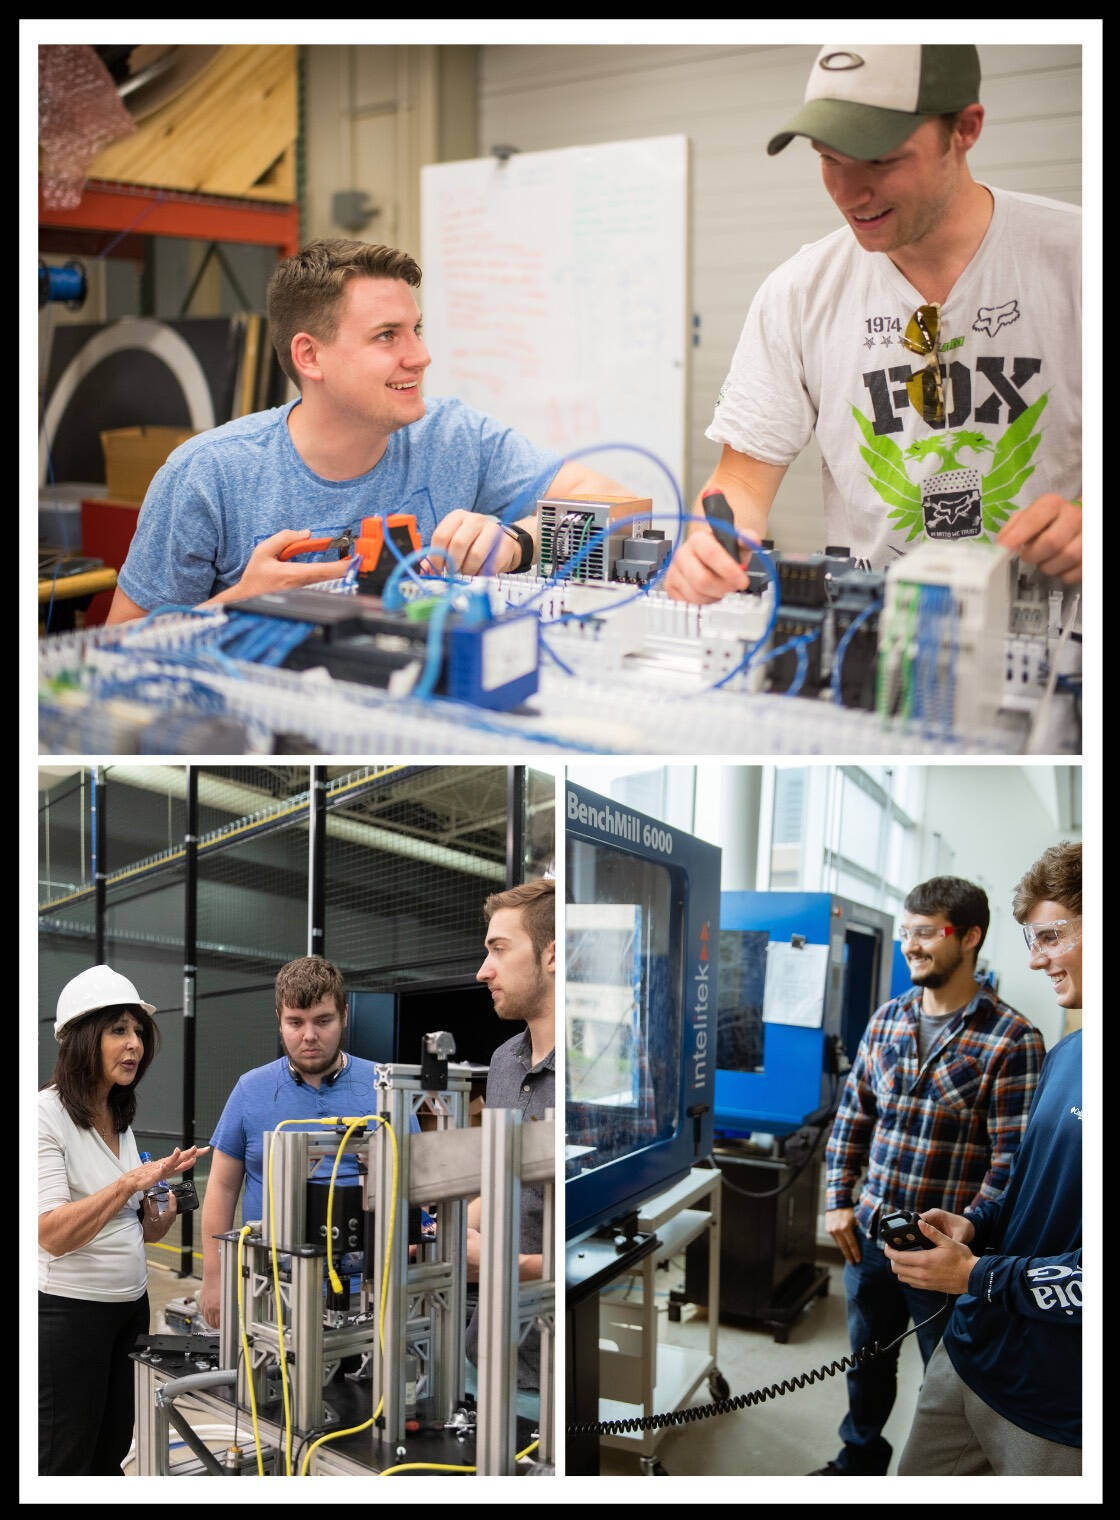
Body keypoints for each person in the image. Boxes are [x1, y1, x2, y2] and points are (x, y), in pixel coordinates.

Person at [664, 44, 1081, 606]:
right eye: (829, 159)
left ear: (965, 129)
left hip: (1059, 652)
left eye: (881, 160)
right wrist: (710, 547)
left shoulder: (1078, 261)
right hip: (879, 642)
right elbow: (739, 481)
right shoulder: (800, 292)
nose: (848, 194)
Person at [106, 239, 627, 623]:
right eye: (387, 336)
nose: (420, 356)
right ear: (310, 356)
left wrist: (519, 541)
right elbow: (114, 654)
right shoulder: (208, 474)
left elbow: (626, 508)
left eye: (415, 330)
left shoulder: (455, 437)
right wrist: (231, 605)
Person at [812, 876, 1045, 1476]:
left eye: (926, 932)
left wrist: (968, 1233)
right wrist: (838, 1199)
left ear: (969, 937)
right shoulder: (887, 1020)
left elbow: (1011, 1160)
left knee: (947, 1375)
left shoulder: (1013, 1038)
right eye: (905, 933)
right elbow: (853, 1116)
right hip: (869, 1235)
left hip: (945, 1253)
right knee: (867, 1361)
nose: (910, 945)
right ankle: (858, 1460)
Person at [890, 842, 1082, 1476]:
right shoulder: (1069, 1055)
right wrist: (978, 1225)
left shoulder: (1019, 1037)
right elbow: (1024, 1186)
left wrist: (977, 1276)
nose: (1036, 958)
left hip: (1057, 1407)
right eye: (1031, 938)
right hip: (972, 1355)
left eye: (1051, 936)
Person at [38, 965, 209, 1475]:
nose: (134, 1043)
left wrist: (159, 1205)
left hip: (130, 1311)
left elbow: (141, 1227)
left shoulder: (118, 1114)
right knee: (65, 1457)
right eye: (118, 1030)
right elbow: (51, 1234)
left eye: (138, 1031)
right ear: (82, 1040)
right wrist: (129, 1183)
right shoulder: (44, 1116)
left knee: (112, 1450)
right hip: (69, 1318)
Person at [198, 955, 417, 1328]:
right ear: (280, 1022)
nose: (309, 1035)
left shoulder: (383, 1088)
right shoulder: (251, 1089)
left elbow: (416, 1182)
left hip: (366, 1288)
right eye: (295, 1022)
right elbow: (221, 1186)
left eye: (323, 1020)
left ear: (344, 1015)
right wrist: (214, 1277)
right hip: (269, 1287)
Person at [465, 877, 556, 1402]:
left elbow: (599, 1251)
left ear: (551, 955)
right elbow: (504, 1185)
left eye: (499, 949)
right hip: (492, 1347)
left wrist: (505, 1265)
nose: (484, 971)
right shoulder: (504, 1062)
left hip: (553, 1362)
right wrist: (431, 1228)